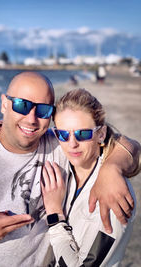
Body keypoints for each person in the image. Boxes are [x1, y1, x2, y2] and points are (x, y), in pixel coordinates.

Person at [0, 72, 140, 267]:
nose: (31, 118)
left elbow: (125, 144)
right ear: (4, 104)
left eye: (43, 110)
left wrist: (112, 168)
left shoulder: (60, 145)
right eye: (22, 105)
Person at [41, 88, 137, 266]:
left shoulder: (114, 196)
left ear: (100, 134)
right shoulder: (65, 162)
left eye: (82, 134)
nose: (72, 144)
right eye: (63, 134)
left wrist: (55, 215)